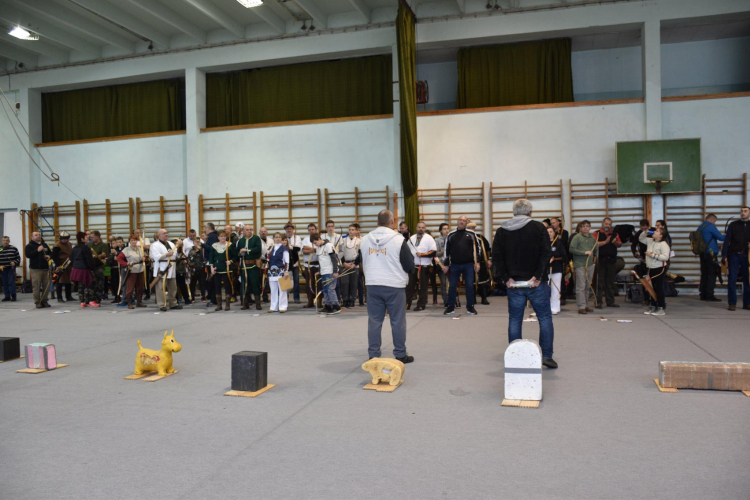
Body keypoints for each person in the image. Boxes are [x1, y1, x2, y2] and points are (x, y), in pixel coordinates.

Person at [492, 199, 556, 368]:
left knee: (515, 320)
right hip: (536, 283)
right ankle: (547, 356)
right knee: (544, 318)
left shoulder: (502, 230)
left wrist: (506, 278)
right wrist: (538, 276)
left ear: (514, 212)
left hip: (514, 283)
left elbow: (496, 257)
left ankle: (515, 357)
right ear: (530, 213)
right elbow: (546, 253)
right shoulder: (539, 228)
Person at [360, 210, 415, 363]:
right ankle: (400, 354)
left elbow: (361, 260)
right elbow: (409, 265)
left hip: (372, 284)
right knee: (397, 321)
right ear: (392, 222)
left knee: (374, 321)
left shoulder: (364, 239)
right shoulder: (398, 240)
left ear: (377, 222)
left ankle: (373, 355)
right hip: (394, 285)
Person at [442, 215, 481, 316]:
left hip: (468, 264)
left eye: (464, 221)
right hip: (454, 265)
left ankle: (470, 307)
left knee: (469, 286)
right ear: (457, 221)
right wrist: (446, 264)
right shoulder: (451, 235)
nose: (462, 222)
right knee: (452, 286)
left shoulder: (472, 234)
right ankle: (450, 307)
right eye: (460, 220)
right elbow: (446, 250)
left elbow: (478, 248)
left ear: (466, 223)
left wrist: (478, 262)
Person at [722, 206, 750, 311]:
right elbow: (727, 240)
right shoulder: (733, 225)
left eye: (745, 211)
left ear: (749, 213)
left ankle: (747, 303)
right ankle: (732, 303)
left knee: (747, 279)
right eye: (742, 211)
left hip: (747, 256)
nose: (743, 213)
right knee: (732, 279)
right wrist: (724, 255)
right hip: (734, 254)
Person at [405, 221, 437, 312]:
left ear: (425, 228)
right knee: (410, 285)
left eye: (423, 227)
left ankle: (421, 304)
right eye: (419, 227)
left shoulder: (429, 238)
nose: (421, 229)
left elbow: (433, 252)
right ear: (416, 228)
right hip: (413, 265)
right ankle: (407, 303)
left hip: (425, 266)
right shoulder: (411, 238)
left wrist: (422, 254)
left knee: (423, 286)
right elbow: (407, 251)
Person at [568, 220, 598, 314]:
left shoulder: (593, 238)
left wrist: (594, 262)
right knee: (580, 286)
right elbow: (571, 249)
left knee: (587, 286)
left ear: (590, 228)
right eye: (583, 226)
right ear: (580, 228)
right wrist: (584, 253)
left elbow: (595, 250)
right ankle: (581, 306)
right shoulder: (577, 237)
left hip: (589, 265)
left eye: (587, 226)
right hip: (580, 265)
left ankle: (586, 305)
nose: (585, 228)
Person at [639, 227, 671, 315]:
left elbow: (665, 257)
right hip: (651, 267)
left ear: (661, 235)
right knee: (652, 288)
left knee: (658, 288)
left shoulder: (663, 244)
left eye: (657, 231)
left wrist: (652, 255)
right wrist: (645, 232)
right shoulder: (650, 241)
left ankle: (661, 307)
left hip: (659, 268)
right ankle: (653, 306)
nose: (654, 232)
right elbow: (641, 238)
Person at [151, 228, 182, 312]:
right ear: (159, 235)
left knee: (173, 287)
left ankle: (173, 303)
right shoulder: (155, 245)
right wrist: (166, 254)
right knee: (161, 287)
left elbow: (176, 256)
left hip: (171, 266)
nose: (166, 235)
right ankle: (161, 304)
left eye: (167, 233)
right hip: (162, 267)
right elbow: (156, 256)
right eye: (164, 233)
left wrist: (179, 247)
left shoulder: (171, 244)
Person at [593, 218, 622, 308]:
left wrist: (615, 243)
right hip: (600, 260)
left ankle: (610, 301)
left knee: (610, 282)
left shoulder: (614, 234)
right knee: (599, 283)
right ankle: (598, 301)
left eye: (609, 224)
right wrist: (605, 242)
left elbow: (620, 244)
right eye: (606, 224)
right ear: (602, 224)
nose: (607, 226)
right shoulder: (596, 233)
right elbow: (594, 244)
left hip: (611, 260)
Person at [311, 232, 341, 315]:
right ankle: (328, 306)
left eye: (315, 243)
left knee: (330, 289)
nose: (315, 245)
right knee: (325, 290)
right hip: (324, 272)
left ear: (319, 239)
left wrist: (335, 271)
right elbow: (321, 261)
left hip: (330, 271)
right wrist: (319, 270)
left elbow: (334, 259)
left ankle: (336, 306)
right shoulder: (318, 248)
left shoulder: (328, 245)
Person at [696, 214, 724, 302]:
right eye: (714, 221)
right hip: (711, 254)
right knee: (712, 273)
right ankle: (709, 294)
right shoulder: (711, 226)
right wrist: (728, 235)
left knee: (704, 273)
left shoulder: (700, 227)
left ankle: (703, 294)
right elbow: (721, 238)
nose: (714, 223)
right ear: (712, 220)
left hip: (702, 253)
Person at [235, 224, 263, 310]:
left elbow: (258, 249)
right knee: (244, 285)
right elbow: (236, 253)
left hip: (254, 265)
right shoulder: (241, 241)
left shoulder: (256, 239)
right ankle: (245, 303)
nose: (249, 231)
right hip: (244, 266)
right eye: (247, 230)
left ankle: (258, 304)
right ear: (243, 231)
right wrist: (240, 253)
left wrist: (247, 250)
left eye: (250, 229)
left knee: (255, 284)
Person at [24, 231, 53, 309]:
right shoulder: (29, 246)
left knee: (46, 286)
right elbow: (28, 255)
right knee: (36, 286)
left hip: (45, 268)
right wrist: (37, 251)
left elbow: (51, 253)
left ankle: (44, 300)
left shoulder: (44, 245)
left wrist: (49, 256)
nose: (38, 236)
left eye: (39, 235)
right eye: (36, 235)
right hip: (36, 269)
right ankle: (37, 302)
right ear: (32, 237)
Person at [208, 230, 235, 311]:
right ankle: (219, 305)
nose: (223, 237)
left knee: (227, 286)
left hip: (226, 268)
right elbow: (211, 258)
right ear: (218, 237)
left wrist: (230, 261)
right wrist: (212, 268)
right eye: (221, 236)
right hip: (217, 268)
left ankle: (227, 305)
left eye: (224, 236)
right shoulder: (214, 246)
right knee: (217, 286)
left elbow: (234, 256)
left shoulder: (229, 245)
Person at [70, 231, 98, 307]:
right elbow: (89, 259)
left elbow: (71, 258)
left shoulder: (74, 248)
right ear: (82, 239)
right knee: (91, 284)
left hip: (76, 269)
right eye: (86, 237)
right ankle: (91, 300)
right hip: (85, 269)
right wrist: (92, 268)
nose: (88, 238)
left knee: (80, 286)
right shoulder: (86, 248)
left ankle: (82, 302)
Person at [468, 222, 492, 306]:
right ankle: (472, 298)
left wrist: (489, 260)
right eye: (470, 228)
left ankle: (484, 298)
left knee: (483, 281)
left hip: (481, 262)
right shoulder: (465, 238)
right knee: (471, 282)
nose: (472, 230)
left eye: (473, 228)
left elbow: (488, 249)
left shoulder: (480, 238)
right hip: (469, 263)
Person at [120, 234, 147, 309]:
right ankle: (129, 303)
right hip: (132, 270)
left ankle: (139, 302)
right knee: (130, 287)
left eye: (135, 240)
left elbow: (145, 257)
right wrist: (125, 264)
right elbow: (119, 258)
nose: (133, 242)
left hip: (140, 269)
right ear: (129, 241)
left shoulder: (140, 249)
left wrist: (144, 258)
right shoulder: (126, 249)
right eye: (132, 240)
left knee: (140, 287)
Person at [338, 223, 361, 309]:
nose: (351, 231)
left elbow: (360, 254)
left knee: (353, 283)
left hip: (354, 265)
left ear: (356, 231)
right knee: (344, 283)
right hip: (345, 264)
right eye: (350, 230)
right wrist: (344, 263)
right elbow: (340, 253)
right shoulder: (343, 240)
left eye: (353, 230)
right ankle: (345, 300)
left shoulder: (359, 241)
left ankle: (352, 300)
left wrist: (355, 264)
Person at [267, 233, 290, 313]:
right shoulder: (270, 248)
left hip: (281, 270)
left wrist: (286, 271)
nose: (278, 238)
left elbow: (286, 261)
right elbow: (268, 260)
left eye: (279, 237)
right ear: (273, 238)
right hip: (271, 271)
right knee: (273, 290)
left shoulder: (284, 248)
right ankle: (273, 306)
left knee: (282, 290)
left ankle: (283, 306)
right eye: (276, 237)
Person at [301, 223, 321, 309]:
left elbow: (319, 249)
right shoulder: (305, 239)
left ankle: (319, 301)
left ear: (316, 229)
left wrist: (309, 248)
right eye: (309, 230)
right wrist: (311, 249)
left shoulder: (320, 238)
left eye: (312, 229)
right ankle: (310, 301)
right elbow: (303, 250)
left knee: (319, 283)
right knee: (309, 284)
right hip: (308, 265)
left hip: (318, 265)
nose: (311, 231)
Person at [50, 231, 74, 303]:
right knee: (60, 282)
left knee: (68, 281)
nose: (64, 240)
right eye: (63, 238)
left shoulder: (69, 244)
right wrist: (58, 265)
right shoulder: (57, 245)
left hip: (68, 264)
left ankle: (68, 296)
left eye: (66, 238)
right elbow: (54, 256)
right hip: (61, 265)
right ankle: (59, 297)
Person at [548, 226, 566, 315]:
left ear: (554, 233)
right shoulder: (541, 243)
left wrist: (554, 258)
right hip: (545, 270)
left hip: (556, 269)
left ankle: (555, 308)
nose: (549, 233)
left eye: (551, 232)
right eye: (547, 232)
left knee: (555, 289)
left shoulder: (559, 243)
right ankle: (544, 308)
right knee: (544, 290)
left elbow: (564, 257)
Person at [284, 223, 303, 304]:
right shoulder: (283, 238)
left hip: (295, 262)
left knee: (296, 281)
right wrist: (292, 246)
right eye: (287, 229)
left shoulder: (297, 238)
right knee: (286, 281)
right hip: (286, 263)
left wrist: (290, 247)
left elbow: (298, 248)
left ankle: (296, 298)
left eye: (290, 229)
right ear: (285, 230)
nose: (289, 230)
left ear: (293, 229)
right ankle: (285, 298)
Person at [202, 223, 219, 305]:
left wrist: (202, 245)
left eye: (205, 228)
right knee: (211, 281)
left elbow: (212, 248)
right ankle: (214, 299)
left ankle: (214, 299)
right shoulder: (214, 236)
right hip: (212, 261)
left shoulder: (212, 237)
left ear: (208, 228)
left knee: (212, 281)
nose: (205, 230)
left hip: (212, 261)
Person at [0, 235, 20, 302]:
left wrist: (14, 262)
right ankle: (7, 296)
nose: (5, 242)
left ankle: (13, 296)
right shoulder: (0, 249)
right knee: (4, 282)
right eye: (4, 240)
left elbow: (18, 258)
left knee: (11, 282)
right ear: (2, 241)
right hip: (2, 268)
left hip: (11, 268)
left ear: (9, 241)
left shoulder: (13, 248)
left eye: (6, 240)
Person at [434, 223, 450, 307]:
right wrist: (442, 252)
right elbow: (435, 253)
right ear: (440, 230)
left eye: (447, 228)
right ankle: (445, 300)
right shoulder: (437, 240)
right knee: (443, 283)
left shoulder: (451, 239)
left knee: (451, 283)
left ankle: (453, 299)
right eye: (444, 229)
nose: (446, 230)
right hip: (441, 264)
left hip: (450, 264)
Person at [259, 227, 273, 303]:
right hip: (261, 262)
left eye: (264, 231)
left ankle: (266, 296)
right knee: (262, 280)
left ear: (267, 232)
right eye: (261, 231)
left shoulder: (271, 240)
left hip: (270, 263)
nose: (263, 233)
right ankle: (262, 296)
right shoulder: (257, 241)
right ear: (259, 233)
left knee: (268, 281)